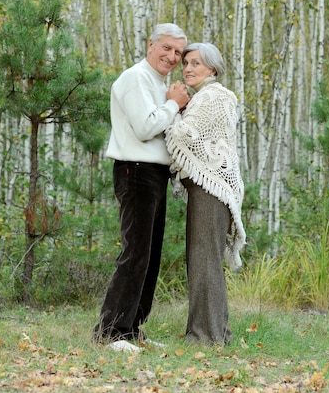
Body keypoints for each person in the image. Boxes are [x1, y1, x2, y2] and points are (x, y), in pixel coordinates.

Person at [93, 23, 189, 352]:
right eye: (166, 48)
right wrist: (174, 104)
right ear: (151, 45)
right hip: (135, 172)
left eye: (178, 52)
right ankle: (111, 331)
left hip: (154, 174)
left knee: (149, 256)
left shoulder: (160, 83)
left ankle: (132, 329)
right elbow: (146, 127)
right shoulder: (134, 78)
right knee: (135, 253)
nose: (172, 57)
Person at [165, 42, 246, 345]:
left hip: (212, 190)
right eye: (185, 63)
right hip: (208, 189)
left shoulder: (214, 96)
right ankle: (215, 334)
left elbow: (182, 136)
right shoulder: (207, 97)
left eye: (196, 63)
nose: (187, 68)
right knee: (204, 261)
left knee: (204, 262)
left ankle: (205, 337)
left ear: (212, 68)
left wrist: (171, 107)